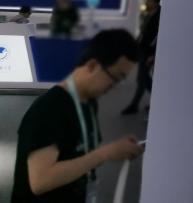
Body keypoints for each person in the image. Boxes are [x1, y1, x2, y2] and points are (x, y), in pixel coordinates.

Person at [12, 29, 145, 202]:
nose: (115, 86)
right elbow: (40, 181)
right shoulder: (48, 110)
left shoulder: (88, 102)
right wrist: (105, 153)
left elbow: (79, 155)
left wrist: (116, 150)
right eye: (116, 78)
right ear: (93, 66)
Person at [121, 0, 161, 115]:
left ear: (155, 3)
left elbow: (158, 37)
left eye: (149, 1)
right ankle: (157, 101)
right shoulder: (149, 15)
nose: (147, 3)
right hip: (143, 50)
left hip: (149, 52)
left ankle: (136, 104)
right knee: (143, 78)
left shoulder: (159, 17)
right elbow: (144, 33)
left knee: (142, 78)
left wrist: (153, 54)